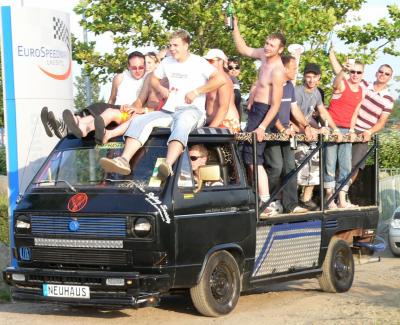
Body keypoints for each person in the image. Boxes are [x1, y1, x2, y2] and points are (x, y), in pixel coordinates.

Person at [99, 29, 225, 179]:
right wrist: (161, 88)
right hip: (169, 111)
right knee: (140, 120)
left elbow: (220, 80)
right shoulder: (167, 62)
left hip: (192, 111)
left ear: (186, 45)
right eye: (170, 45)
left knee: (183, 122)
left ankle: (167, 164)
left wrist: (197, 91)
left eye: (175, 45)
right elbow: (153, 79)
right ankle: (124, 160)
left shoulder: (199, 62)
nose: (171, 48)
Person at [231, 16, 286, 212]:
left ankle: (265, 201)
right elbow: (243, 49)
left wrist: (263, 126)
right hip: (255, 111)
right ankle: (259, 198)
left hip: (265, 113)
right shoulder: (264, 55)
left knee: (255, 158)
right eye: (267, 43)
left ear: (280, 49)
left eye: (272, 45)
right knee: (249, 157)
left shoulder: (278, 71)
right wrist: (234, 27)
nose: (268, 47)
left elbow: (276, 104)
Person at [329, 56, 395, 183]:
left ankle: (343, 194)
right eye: (381, 71)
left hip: (364, 133)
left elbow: (381, 123)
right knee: (337, 163)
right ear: (376, 73)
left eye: (387, 74)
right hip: (348, 128)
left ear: (390, 77)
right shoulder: (363, 84)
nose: (383, 75)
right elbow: (341, 75)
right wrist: (332, 56)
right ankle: (330, 197)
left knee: (355, 167)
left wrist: (369, 132)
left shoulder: (389, 99)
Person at [263, 55, 313, 216]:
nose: (295, 71)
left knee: (291, 167)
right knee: (276, 167)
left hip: (287, 134)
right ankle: (267, 201)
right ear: (283, 68)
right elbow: (271, 110)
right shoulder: (272, 85)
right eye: (293, 68)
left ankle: (291, 204)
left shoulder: (290, 86)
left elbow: (294, 109)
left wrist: (306, 126)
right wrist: (281, 128)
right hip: (271, 133)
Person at [61, 51, 147, 143]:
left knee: (103, 108)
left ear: (145, 66)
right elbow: (112, 99)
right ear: (128, 66)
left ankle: (75, 120)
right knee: (99, 114)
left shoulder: (147, 78)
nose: (138, 71)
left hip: (128, 113)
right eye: (134, 68)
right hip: (116, 110)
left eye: (141, 67)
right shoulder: (120, 77)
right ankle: (69, 126)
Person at [294, 63, 342, 210]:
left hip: (310, 135)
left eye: (314, 77)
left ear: (319, 78)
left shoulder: (316, 94)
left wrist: (335, 129)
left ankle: (306, 199)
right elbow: (292, 114)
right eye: (308, 77)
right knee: (296, 171)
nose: (311, 80)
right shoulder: (297, 91)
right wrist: (307, 130)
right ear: (304, 77)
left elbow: (323, 112)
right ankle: (291, 201)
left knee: (315, 168)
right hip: (296, 133)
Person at [325, 49, 365, 208]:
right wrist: (341, 67)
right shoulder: (343, 83)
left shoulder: (361, 91)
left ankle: (342, 198)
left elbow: (355, 112)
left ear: (362, 74)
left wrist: (352, 130)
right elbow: (336, 82)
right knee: (329, 163)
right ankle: (329, 199)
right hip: (333, 128)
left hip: (347, 130)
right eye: (353, 71)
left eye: (358, 72)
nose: (355, 74)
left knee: (345, 166)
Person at [204, 49, 240, 133]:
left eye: (211, 61)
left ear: (220, 61)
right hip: (213, 123)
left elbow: (224, 108)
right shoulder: (210, 78)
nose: (207, 63)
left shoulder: (224, 79)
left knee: (198, 145)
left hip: (227, 123)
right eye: (207, 61)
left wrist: (209, 131)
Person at [227, 57, 242, 122]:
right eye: (230, 68)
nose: (234, 70)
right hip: (228, 118)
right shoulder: (227, 80)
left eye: (237, 67)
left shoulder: (235, 81)